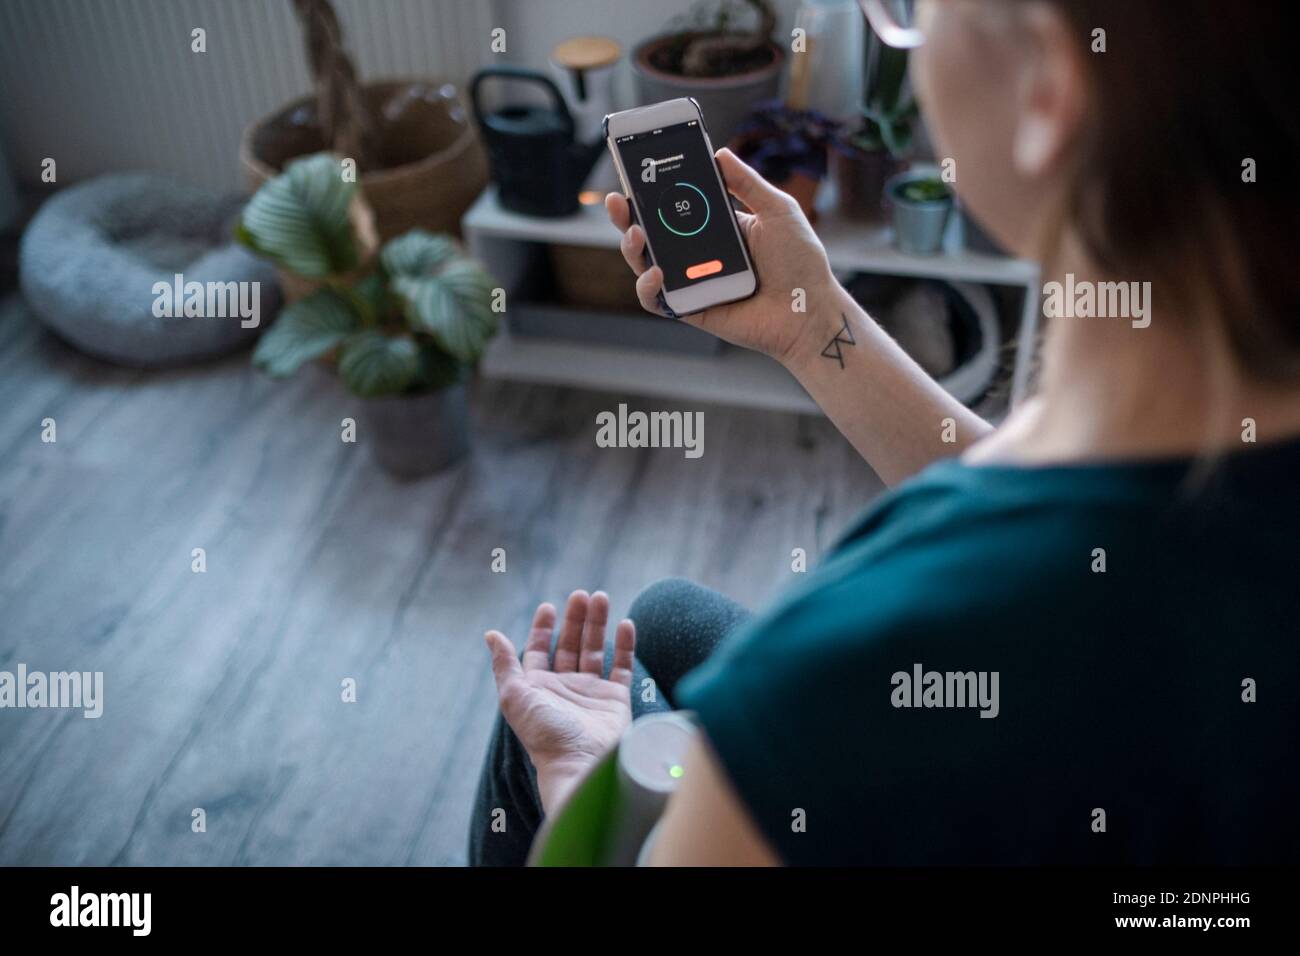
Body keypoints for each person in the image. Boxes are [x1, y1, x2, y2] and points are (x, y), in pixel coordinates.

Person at [469, 0, 1300, 865]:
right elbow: (1087, 533)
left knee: (558, 710)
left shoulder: (853, 670)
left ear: (1052, 86)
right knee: (662, 624)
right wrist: (812, 322)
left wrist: (589, 779)